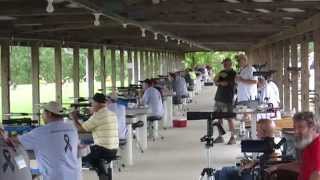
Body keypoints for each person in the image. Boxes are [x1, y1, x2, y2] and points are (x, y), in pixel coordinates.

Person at [9, 101, 81, 180]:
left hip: (55, 177)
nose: (42, 115)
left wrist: (6, 135)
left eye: (43, 112)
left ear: (49, 114)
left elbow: (13, 141)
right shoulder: (72, 128)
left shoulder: (40, 132)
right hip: (75, 176)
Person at [71, 93, 119, 177]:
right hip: (114, 149)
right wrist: (92, 114)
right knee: (91, 151)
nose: (91, 105)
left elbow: (80, 129)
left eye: (92, 103)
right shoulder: (112, 114)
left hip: (102, 150)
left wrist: (74, 118)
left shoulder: (98, 116)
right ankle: (102, 172)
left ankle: (101, 172)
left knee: (79, 154)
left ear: (97, 103)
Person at [266, 112, 320, 180]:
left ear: (313, 128)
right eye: (294, 127)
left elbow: (317, 175)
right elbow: (302, 165)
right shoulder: (309, 143)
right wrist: (277, 167)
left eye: (300, 127)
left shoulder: (317, 148)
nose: (296, 131)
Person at [213, 58, 237, 145]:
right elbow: (215, 80)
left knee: (229, 118)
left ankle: (233, 137)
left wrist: (219, 81)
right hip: (219, 97)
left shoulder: (233, 73)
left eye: (226, 63)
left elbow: (225, 83)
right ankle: (220, 136)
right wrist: (219, 80)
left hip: (227, 98)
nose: (225, 65)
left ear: (230, 64)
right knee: (219, 118)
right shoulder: (222, 72)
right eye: (224, 64)